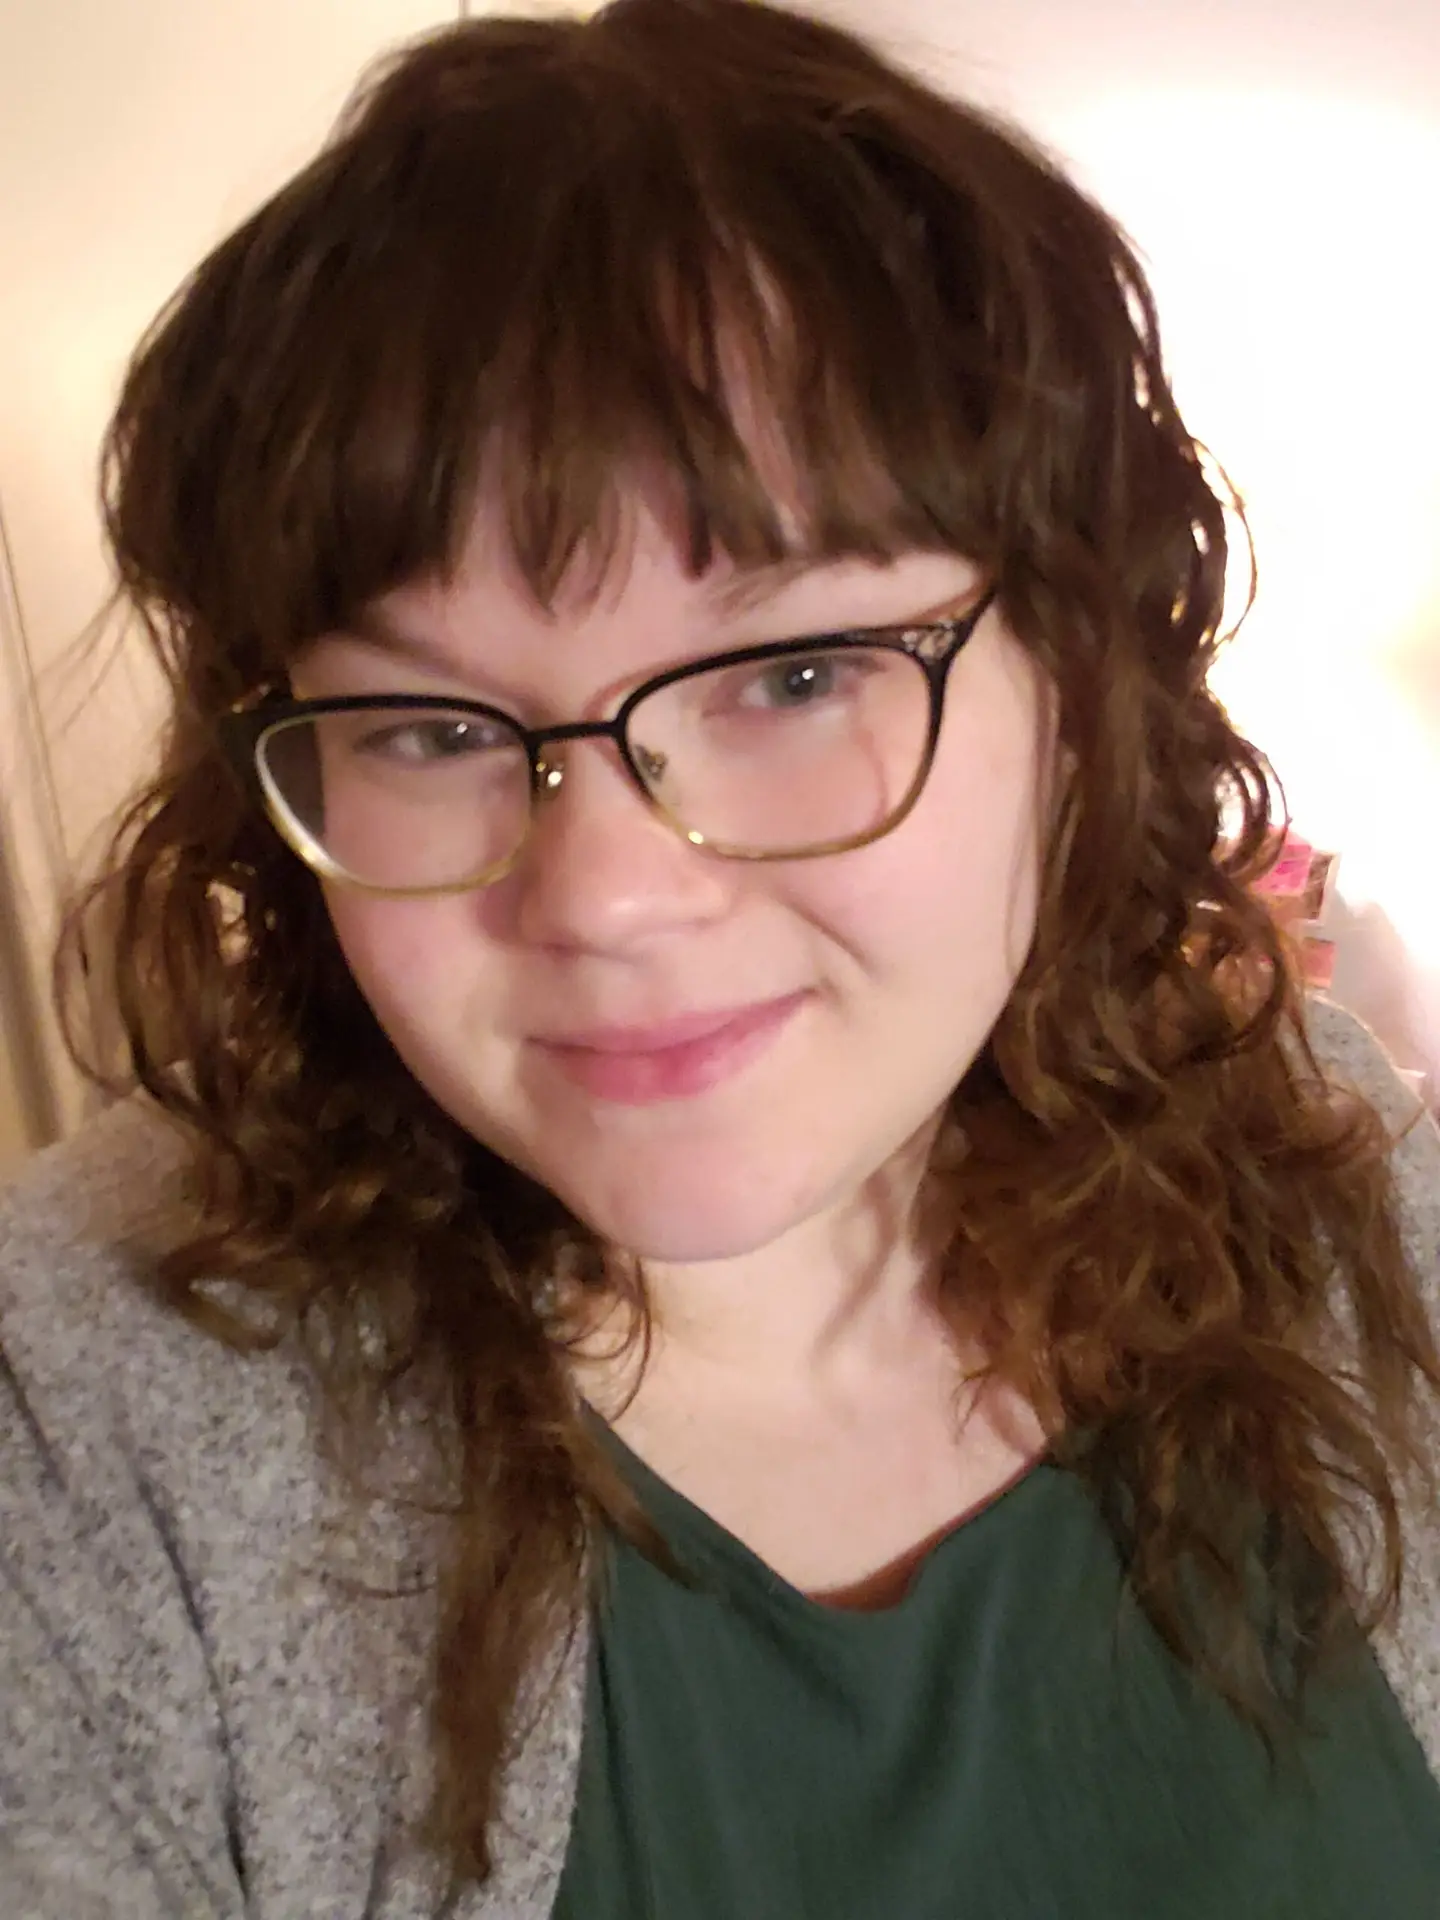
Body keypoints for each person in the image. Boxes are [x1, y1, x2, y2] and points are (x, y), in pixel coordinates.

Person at [2, 0, 1438, 1913]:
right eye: (429, 726)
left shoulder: (1325, 1168)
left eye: (795, 673)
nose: (602, 896)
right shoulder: (85, 1413)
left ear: (1082, 688)